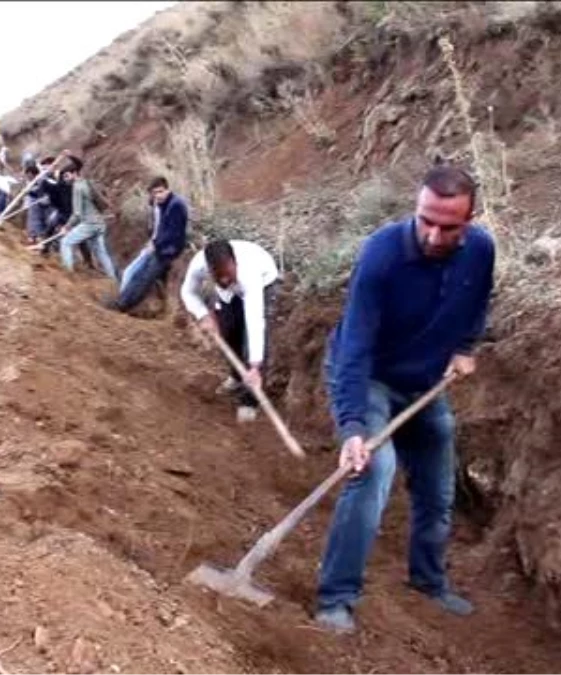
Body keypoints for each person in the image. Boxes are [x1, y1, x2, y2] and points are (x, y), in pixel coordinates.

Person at [313, 165, 495, 634]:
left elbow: (477, 302)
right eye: (425, 220)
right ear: (415, 209)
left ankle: (428, 581)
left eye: (448, 226)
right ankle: (336, 598)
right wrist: (353, 426)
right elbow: (354, 346)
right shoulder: (382, 256)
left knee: (437, 484)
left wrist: (465, 347)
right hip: (369, 375)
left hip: (422, 381)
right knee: (372, 469)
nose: (433, 235)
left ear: (469, 221)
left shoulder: (480, 251)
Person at [181, 239, 280, 424]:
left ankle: (250, 400)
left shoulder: (250, 274)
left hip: (265, 281)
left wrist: (255, 366)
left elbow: (255, 322)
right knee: (228, 331)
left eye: (228, 274)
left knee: (249, 341)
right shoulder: (198, 266)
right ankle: (236, 376)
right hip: (228, 294)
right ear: (209, 271)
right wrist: (203, 315)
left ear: (235, 263)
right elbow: (187, 292)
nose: (224, 279)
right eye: (218, 276)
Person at [107, 176, 189, 313]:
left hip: (168, 251)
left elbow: (172, 233)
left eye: (160, 191)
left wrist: (156, 244)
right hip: (162, 247)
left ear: (168, 189)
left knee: (144, 277)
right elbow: (160, 228)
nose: (158, 195)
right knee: (143, 274)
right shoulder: (164, 204)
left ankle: (122, 304)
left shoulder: (176, 205)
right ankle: (139, 302)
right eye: (155, 193)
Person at [58, 158, 118, 280]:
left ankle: (68, 276)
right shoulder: (86, 182)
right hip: (99, 223)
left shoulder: (77, 187)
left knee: (65, 242)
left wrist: (66, 227)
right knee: (101, 254)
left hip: (89, 223)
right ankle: (114, 280)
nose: (65, 179)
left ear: (74, 173)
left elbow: (77, 213)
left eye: (67, 176)